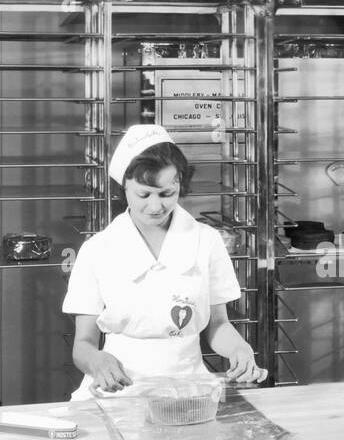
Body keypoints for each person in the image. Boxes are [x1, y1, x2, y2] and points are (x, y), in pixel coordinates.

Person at [62, 123, 264, 398]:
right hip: (119, 389)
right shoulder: (97, 250)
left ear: (180, 183)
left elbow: (217, 325)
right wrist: (97, 361)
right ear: (124, 188)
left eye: (167, 194)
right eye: (143, 195)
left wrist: (239, 349)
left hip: (189, 389)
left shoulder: (206, 241)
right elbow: (83, 345)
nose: (156, 207)